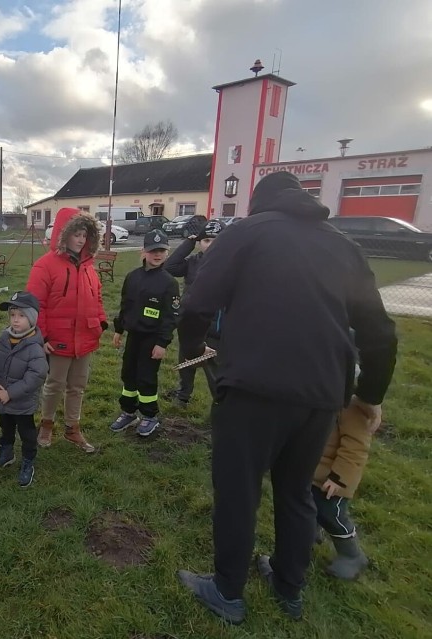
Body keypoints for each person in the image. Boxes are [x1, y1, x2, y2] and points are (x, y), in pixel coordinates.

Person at [175, 171, 397, 624]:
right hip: (320, 398)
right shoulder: (341, 245)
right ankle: (287, 585)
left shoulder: (246, 233)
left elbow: (197, 304)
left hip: (252, 390)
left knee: (238, 491)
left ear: (259, 203)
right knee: (296, 491)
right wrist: (370, 394)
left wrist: (195, 351)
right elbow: (380, 331)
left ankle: (227, 591)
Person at [26, 207, 107, 453]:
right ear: (64, 234)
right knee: (55, 384)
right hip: (58, 338)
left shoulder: (89, 267)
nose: (81, 240)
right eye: (76, 234)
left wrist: (101, 322)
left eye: (85, 235)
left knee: (77, 386)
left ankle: (73, 428)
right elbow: (35, 304)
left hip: (85, 337)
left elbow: (98, 298)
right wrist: (43, 336)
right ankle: (47, 424)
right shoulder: (45, 266)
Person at [109, 230, 179, 436]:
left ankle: (150, 416)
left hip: (153, 338)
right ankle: (129, 412)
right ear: (143, 252)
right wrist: (119, 329)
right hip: (134, 336)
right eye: (152, 251)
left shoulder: (169, 282)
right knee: (128, 374)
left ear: (167, 252)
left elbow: (171, 316)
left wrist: (162, 343)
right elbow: (125, 306)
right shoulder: (132, 277)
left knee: (146, 377)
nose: (157, 255)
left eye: (161, 251)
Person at [310, 351, 372, 580]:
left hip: (332, 480)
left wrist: (338, 478)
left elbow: (355, 449)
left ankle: (352, 554)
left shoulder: (353, 408)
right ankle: (308, 536)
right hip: (312, 472)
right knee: (307, 507)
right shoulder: (324, 395)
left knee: (331, 515)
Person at [0, 291, 48, 487]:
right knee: (5, 427)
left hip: (22, 403)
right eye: (12, 315)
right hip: (3, 402)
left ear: (31, 318)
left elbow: (35, 377)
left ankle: (28, 461)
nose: (15, 320)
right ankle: (6, 453)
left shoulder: (35, 348)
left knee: (27, 433)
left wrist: (9, 393)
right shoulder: (3, 338)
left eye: (21, 315)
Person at [164, 219, 226, 405]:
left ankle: (221, 404)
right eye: (206, 240)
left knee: (215, 372)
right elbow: (170, 267)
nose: (210, 245)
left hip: (214, 327)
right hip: (191, 324)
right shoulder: (193, 262)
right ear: (200, 242)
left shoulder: (230, 264)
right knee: (187, 362)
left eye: (216, 240)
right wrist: (189, 242)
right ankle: (183, 394)